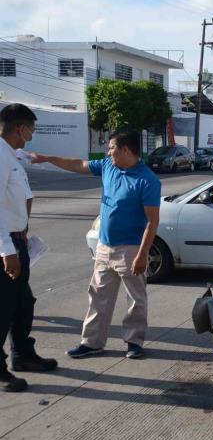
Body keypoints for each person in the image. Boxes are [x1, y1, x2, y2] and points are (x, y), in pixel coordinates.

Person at [31, 131, 161, 360]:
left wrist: (142, 255)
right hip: (105, 247)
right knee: (98, 295)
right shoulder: (108, 167)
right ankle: (91, 343)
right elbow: (78, 164)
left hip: (130, 249)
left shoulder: (147, 179)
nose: (108, 152)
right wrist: (50, 158)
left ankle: (134, 342)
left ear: (126, 150)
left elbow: (152, 221)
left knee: (136, 299)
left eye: (111, 148)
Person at [0, 104, 58, 392]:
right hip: (6, 244)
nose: (32, 135)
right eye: (32, 129)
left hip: (17, 239)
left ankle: (23, 355)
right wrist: (7, 250)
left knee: (23, 304)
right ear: (21, 129)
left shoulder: (11, 154)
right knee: (3, 308)